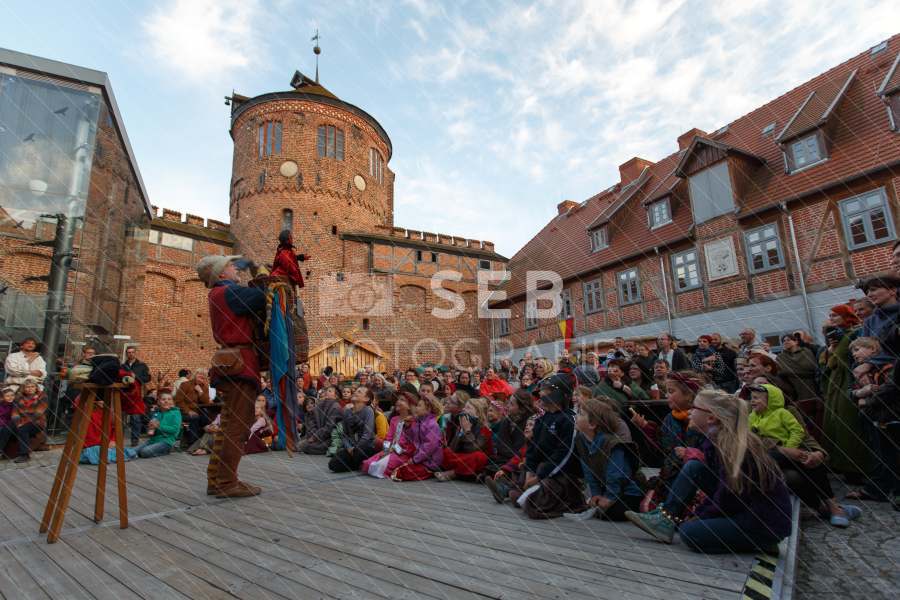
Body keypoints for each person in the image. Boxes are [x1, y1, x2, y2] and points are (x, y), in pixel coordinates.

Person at [625, 390, 792, 554]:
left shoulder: (732, 449)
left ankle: (761, 541)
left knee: (690, 533)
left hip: (761, 521)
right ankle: (665, 520)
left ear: (711, 418)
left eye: (695, 408)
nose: (690, 411)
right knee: (694, 467)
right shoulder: (713, 441)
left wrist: (700, 516)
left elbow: (727, 498)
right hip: (743, 508)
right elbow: (721, 492)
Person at [197, 253, 267, 498]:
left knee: (229, 424)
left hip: (230, 363)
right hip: (239, 363)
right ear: (222, 274)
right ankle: (227, 483)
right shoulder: (227, 292)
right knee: (236, 426)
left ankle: (217, 480)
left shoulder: (221, 293)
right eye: (230, 266)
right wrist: (260, 273)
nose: (236, 268)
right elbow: (263, 296)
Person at [749, 384, 860, 527]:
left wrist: (817, 453)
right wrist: (782, 449)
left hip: (787, 453)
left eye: (757, 398)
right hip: (765, 457)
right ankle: (829, 509)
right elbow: (750, 438)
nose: (752, 401)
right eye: (751, 397)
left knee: (809, 461)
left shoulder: (785, 412)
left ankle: (832, 508)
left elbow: (801, 433)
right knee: (793, 472)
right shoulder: (751, 414)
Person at [630, 371, 705, 506]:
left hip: (694, 477)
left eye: (671, 391)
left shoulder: (701, 419)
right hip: (670, 472)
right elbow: (663, 448)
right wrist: (645, 426)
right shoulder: (670, 418)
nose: (666, 395)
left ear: (688, 395)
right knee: (645, 505)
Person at [517, 373, 583, 519]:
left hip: (562, 473)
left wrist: (539, 477)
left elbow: (564, 454)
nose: (541, 393)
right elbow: (533, 448)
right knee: (522, 476)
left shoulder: (568, 419)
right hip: (542, 468)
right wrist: (530, 472)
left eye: (546, 390)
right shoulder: (543, 418)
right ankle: (523, 490)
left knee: (542, 494)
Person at [574, 397, 645, 521]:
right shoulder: (581, 439)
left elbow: (615, 474)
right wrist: (595, 493)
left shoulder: (611, 444)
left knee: (611, 513)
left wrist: (610, 497)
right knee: (588, 505)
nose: (576, 416)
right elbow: (588, 470)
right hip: (605, 487)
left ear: (592, 424)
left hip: (627, 490)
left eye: (581, 414)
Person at [820, 305, 869, 478]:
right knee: (834, 424)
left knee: (848, 425)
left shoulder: (855, 332)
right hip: (835, 383)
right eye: (830, 315)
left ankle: (855, 468)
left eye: (835, 315)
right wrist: (831, 348)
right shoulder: (838, 336)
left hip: (848, 381)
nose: (831, 318)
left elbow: (846, 360)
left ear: (845, 316)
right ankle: (840, 463)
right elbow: (828, 363)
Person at [776, 333, 823, 440]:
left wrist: (790, 371)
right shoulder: (781, 356)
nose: (786, 342)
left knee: (815, 414)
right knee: (800, 415)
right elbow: (781, 370)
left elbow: (811, 367)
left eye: (789, 339)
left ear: (796, 341)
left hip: (809, 386)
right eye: (783, 341)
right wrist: (792, 371)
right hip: (793, 388)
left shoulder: (806, 352)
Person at [435, 397, 492, 481]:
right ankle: (463, 473)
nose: (464, 410)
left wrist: (468, 431)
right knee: (446, 452)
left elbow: (473, 449)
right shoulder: (462, 425)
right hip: (463, 457)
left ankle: (453, 473)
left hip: (475, 457)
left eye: (468, 408)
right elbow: (453, 448)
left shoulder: (484, 428)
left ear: (477, 413)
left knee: (479, 456)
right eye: (465, 407)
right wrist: (461, 432)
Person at [389, 394, 444, 481]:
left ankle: (430, 472)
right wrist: (407, 427)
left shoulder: (432, 425)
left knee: (404, 471)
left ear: (428, 409)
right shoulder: (418, 422)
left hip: (430, 462)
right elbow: (411, 438)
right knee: (401, 469)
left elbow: (429, 447)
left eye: (419, 406)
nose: (416, 408)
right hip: (419, 458)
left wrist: (415, 459)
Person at [328, 387, 376, 472]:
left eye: (359, 392)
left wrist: (355, 448)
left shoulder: (368, 411)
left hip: (365, 447)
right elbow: (344, 434)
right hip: (351, 448)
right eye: (356, 391)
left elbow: (367, 435)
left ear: (366, 399)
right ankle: (359, 465)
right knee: (333, 464)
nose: (355, 392)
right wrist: (349, 447)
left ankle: (361, 462)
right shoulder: (347, 412)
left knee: (359, 454)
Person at [0, 379, 47, 462]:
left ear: (36, 388)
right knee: (7, 427)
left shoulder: (42, 396)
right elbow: (15, 413)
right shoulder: (19, 397)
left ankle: (25, 455)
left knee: (23, 429)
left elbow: (38, 413)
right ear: (24, 388)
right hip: (20, 421)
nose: (30, 389)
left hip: (36, 422)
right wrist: (18, 422)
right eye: (27, 387)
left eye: (32, 386)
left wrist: (22, 423)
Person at [135, 392, 182, 459]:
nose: (166, 401)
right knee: (134, 451)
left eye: (169, 399)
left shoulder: (175, 413)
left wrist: (159, 426)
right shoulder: (156, 414)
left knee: (144, 452)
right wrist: (150, 428)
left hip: (167, 441)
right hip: (154, 440)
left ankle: (167, 450)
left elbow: (174, 429)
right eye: (163, 399)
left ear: (172, 402)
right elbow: (151, 433)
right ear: (159, 402)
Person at [174, 369, 213, 447]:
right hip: (183, 411)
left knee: (208, 419)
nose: (201, 376)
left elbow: (206, 403)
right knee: (195, 418)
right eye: (199, 374)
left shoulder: (204, 387)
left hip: (198, 411)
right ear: (195, 375)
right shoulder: (185, 384)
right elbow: (178, 401)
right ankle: (192, 443)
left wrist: (200, 392)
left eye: (204, 375)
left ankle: (203, 442)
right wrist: (188, 411)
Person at [121, 346, 151, 446]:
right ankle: (119, 438)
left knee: (135, 418)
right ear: (126, 354)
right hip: (124, 395)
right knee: (121, 419)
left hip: (136, 395)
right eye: (128, 352)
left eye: (132, 352)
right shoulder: (122, 366)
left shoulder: (142, 365)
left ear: (135, 353)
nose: (130, 354)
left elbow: (147, 378)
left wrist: (135, 377)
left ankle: (134, 440)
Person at [299, 385, 341, 454]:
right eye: (327, 390)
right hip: (317, 435)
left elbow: (329, 427)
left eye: (330, 391)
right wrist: (313, 435)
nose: (327, 392)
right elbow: (313, 421)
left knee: (306, 447)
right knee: (301, 445)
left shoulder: (336, 407)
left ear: (335, 396)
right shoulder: (319, 405)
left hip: (330, 437)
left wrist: (315, 437)